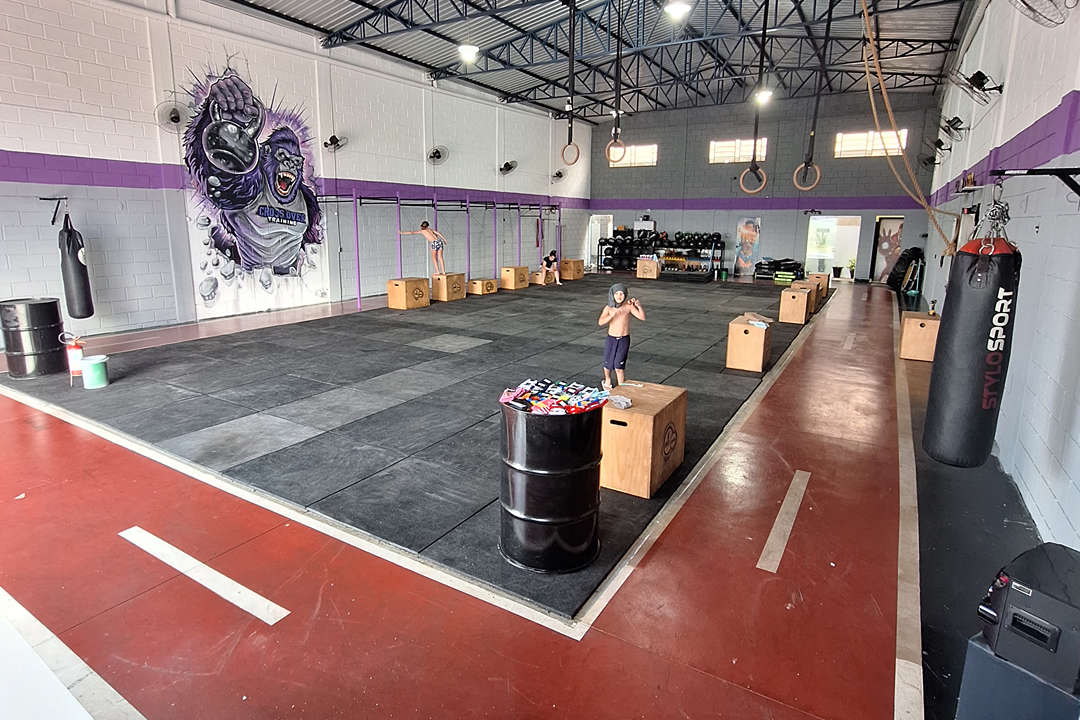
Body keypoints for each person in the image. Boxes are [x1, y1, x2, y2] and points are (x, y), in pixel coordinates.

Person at [598, 283, 645, 390]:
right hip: (611, 339)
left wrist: (639, 307)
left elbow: (642, 317)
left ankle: (621, 386)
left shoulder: (628, 307)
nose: (619, 296)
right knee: (608, 363)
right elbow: (600, 322)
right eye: (617, 293)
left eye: (622, 294)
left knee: (619, 366)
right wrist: (610, 316)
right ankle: (607, 380)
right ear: (612, 295)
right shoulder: (608, 308)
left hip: (624, 339)